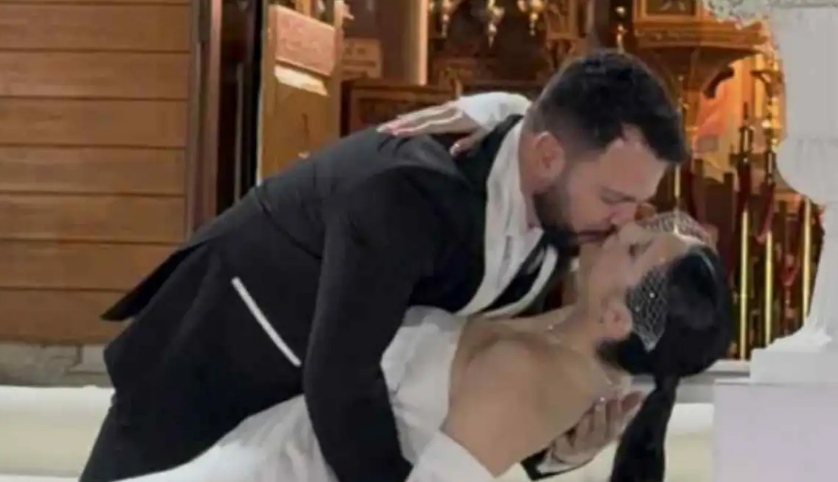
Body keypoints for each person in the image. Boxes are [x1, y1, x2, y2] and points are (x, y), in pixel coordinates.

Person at [80, 50, 687, 482]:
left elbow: (477, 363)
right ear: (548, 155)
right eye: (615, 198)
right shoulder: (407, 192)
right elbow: (342, 380)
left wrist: (549, 451)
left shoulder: (567, 215)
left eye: (637, 202)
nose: (625, 221)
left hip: (322, 412)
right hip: (213, 356)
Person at [114, 213, 732, 482]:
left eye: (635, 248)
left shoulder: (532, 376)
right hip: (263, 441)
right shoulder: (570, 336)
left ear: (619, 316)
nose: (626, 226)